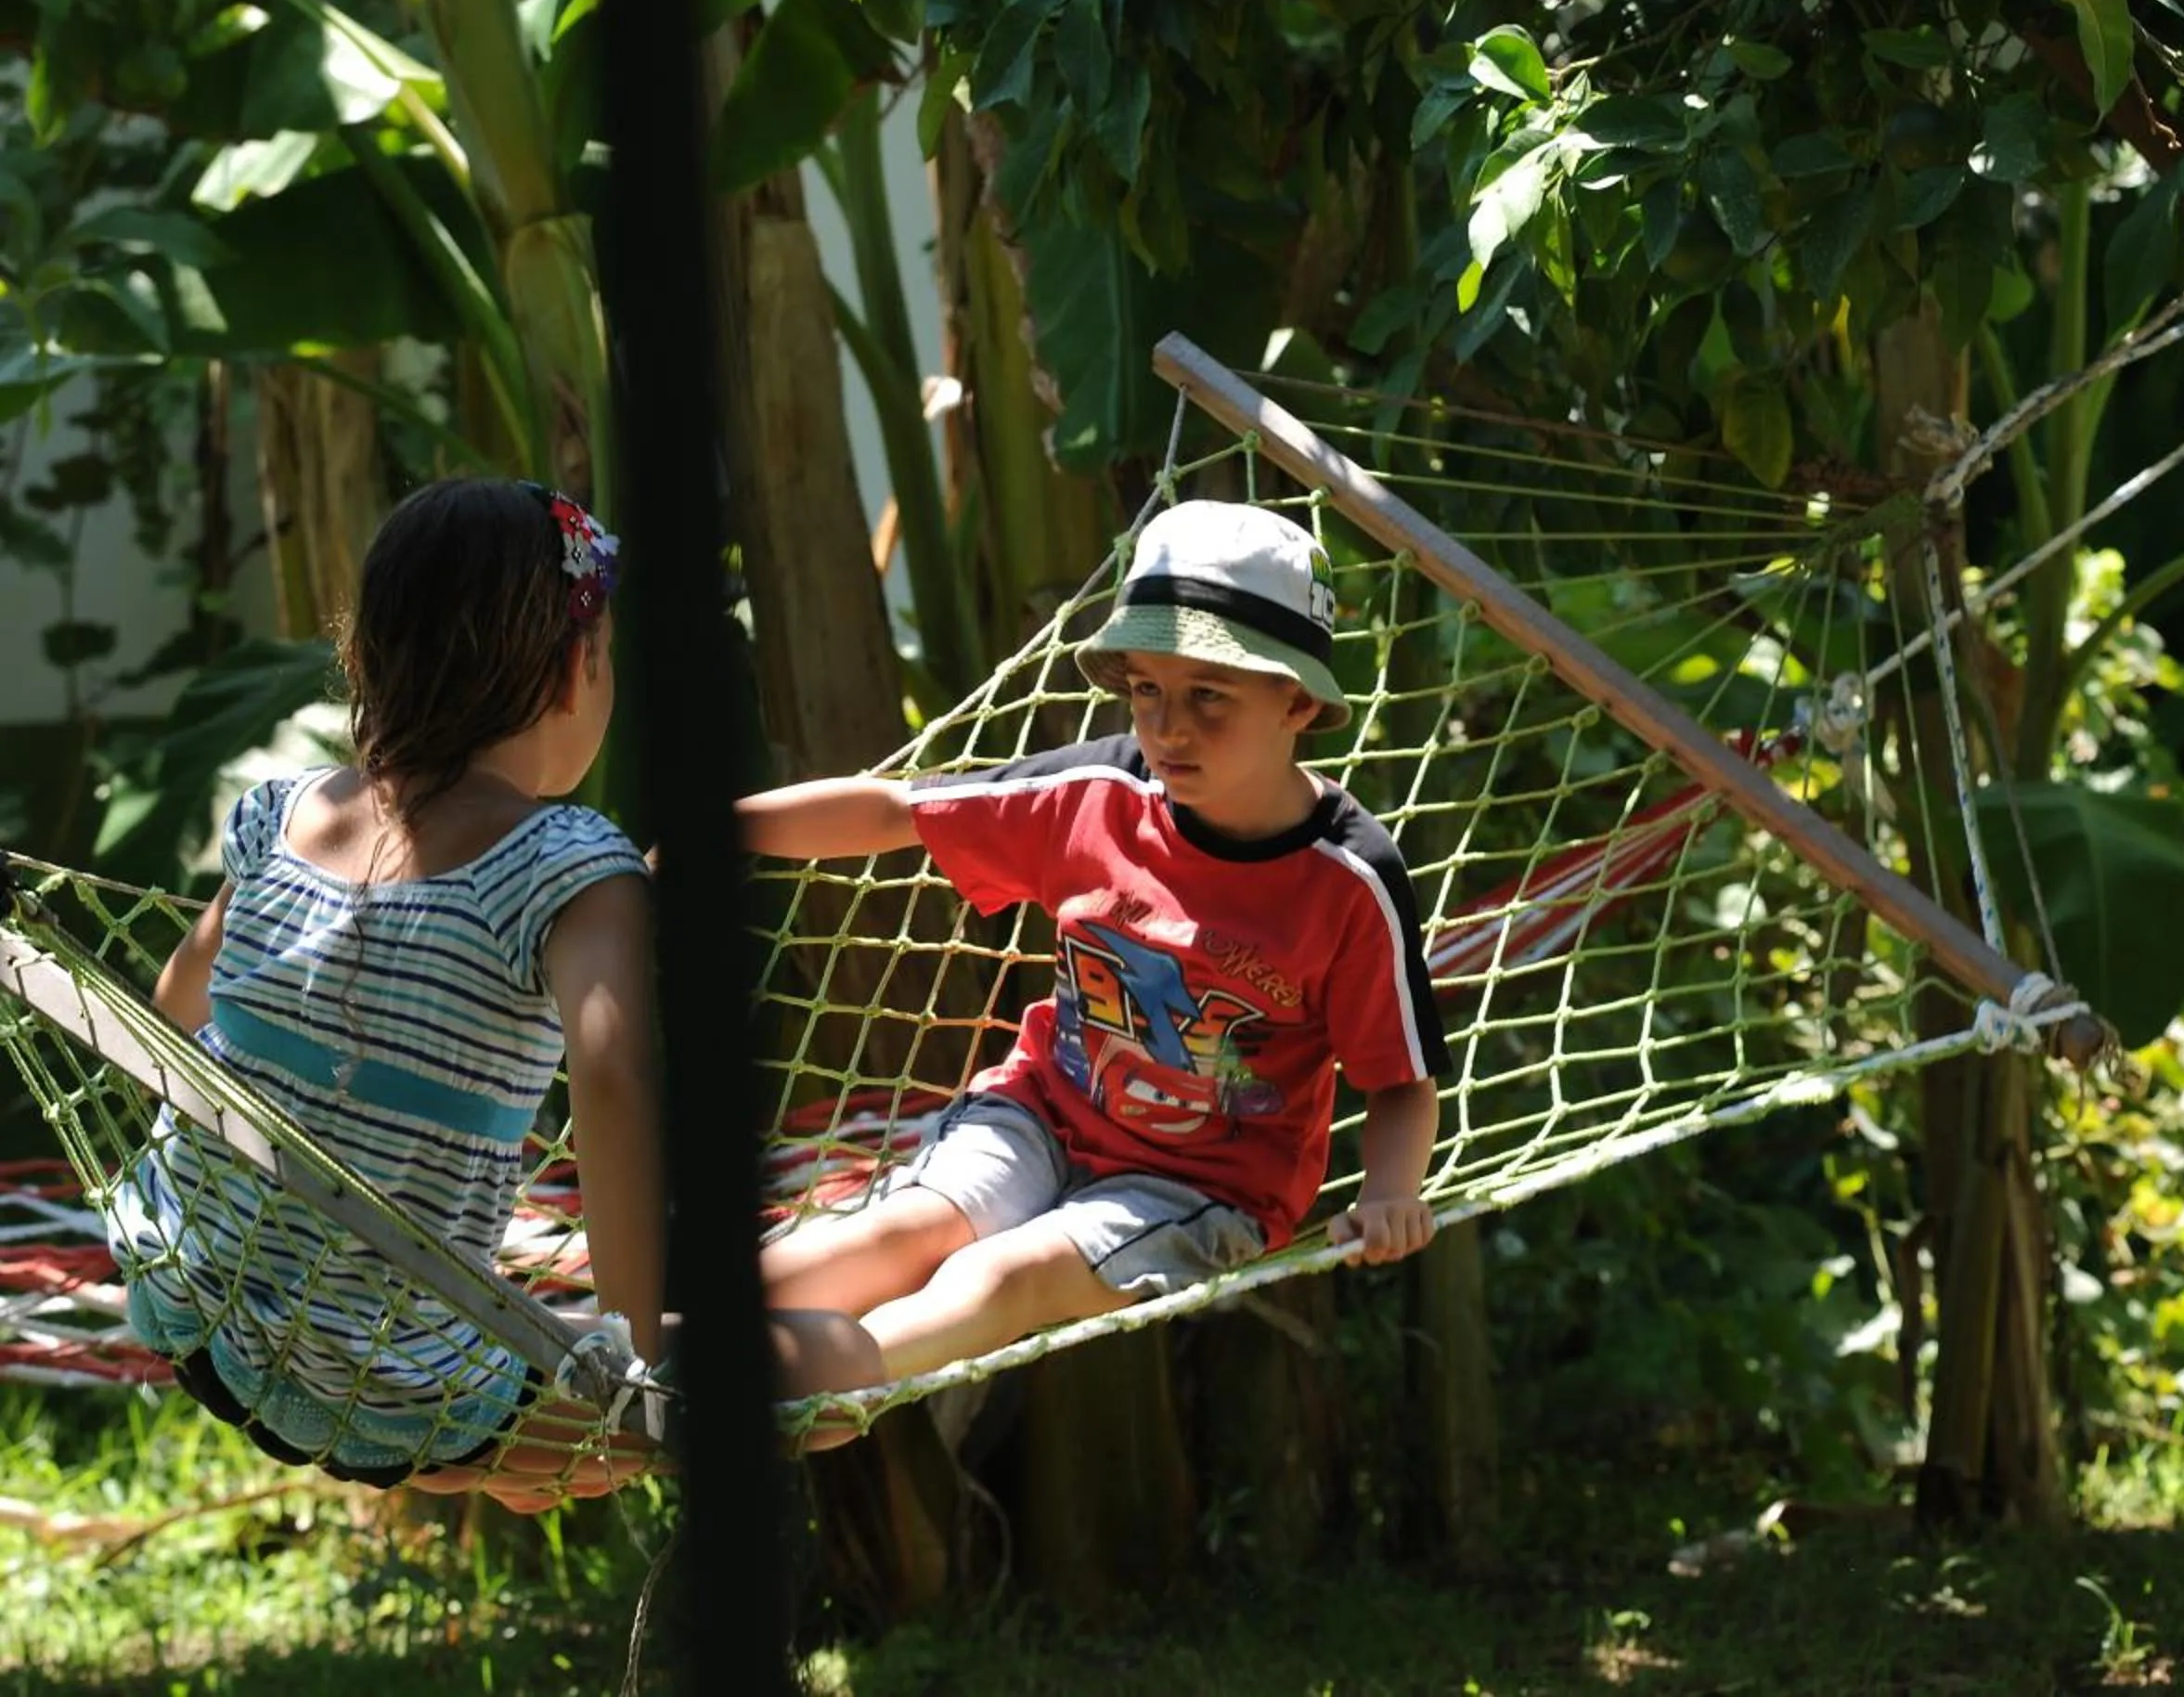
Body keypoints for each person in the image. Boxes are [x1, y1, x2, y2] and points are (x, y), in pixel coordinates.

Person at [742, 499, 1449, 1398]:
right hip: (1041, 1110)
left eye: (1209, 697)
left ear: (1299, 702)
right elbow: (895, 812)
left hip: (1201, 1184)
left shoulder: (1347, 878)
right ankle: (645, 1344)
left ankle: (805, 1381)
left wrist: (1391, 1190)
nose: (1168, 728)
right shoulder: (1100, 793)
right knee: (906, 1231)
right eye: (1146, 690)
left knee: (1008, 1276)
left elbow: (1399, 1078)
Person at [107, 478, 670, 1511]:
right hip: (391, 1385)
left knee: (535, 1465)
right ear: (571, 673)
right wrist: (632, 1359)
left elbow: (177, 1005)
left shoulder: (289, 811)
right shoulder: (570, 862)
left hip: (191, 1289)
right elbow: (613, 1073)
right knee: (814, 1353)